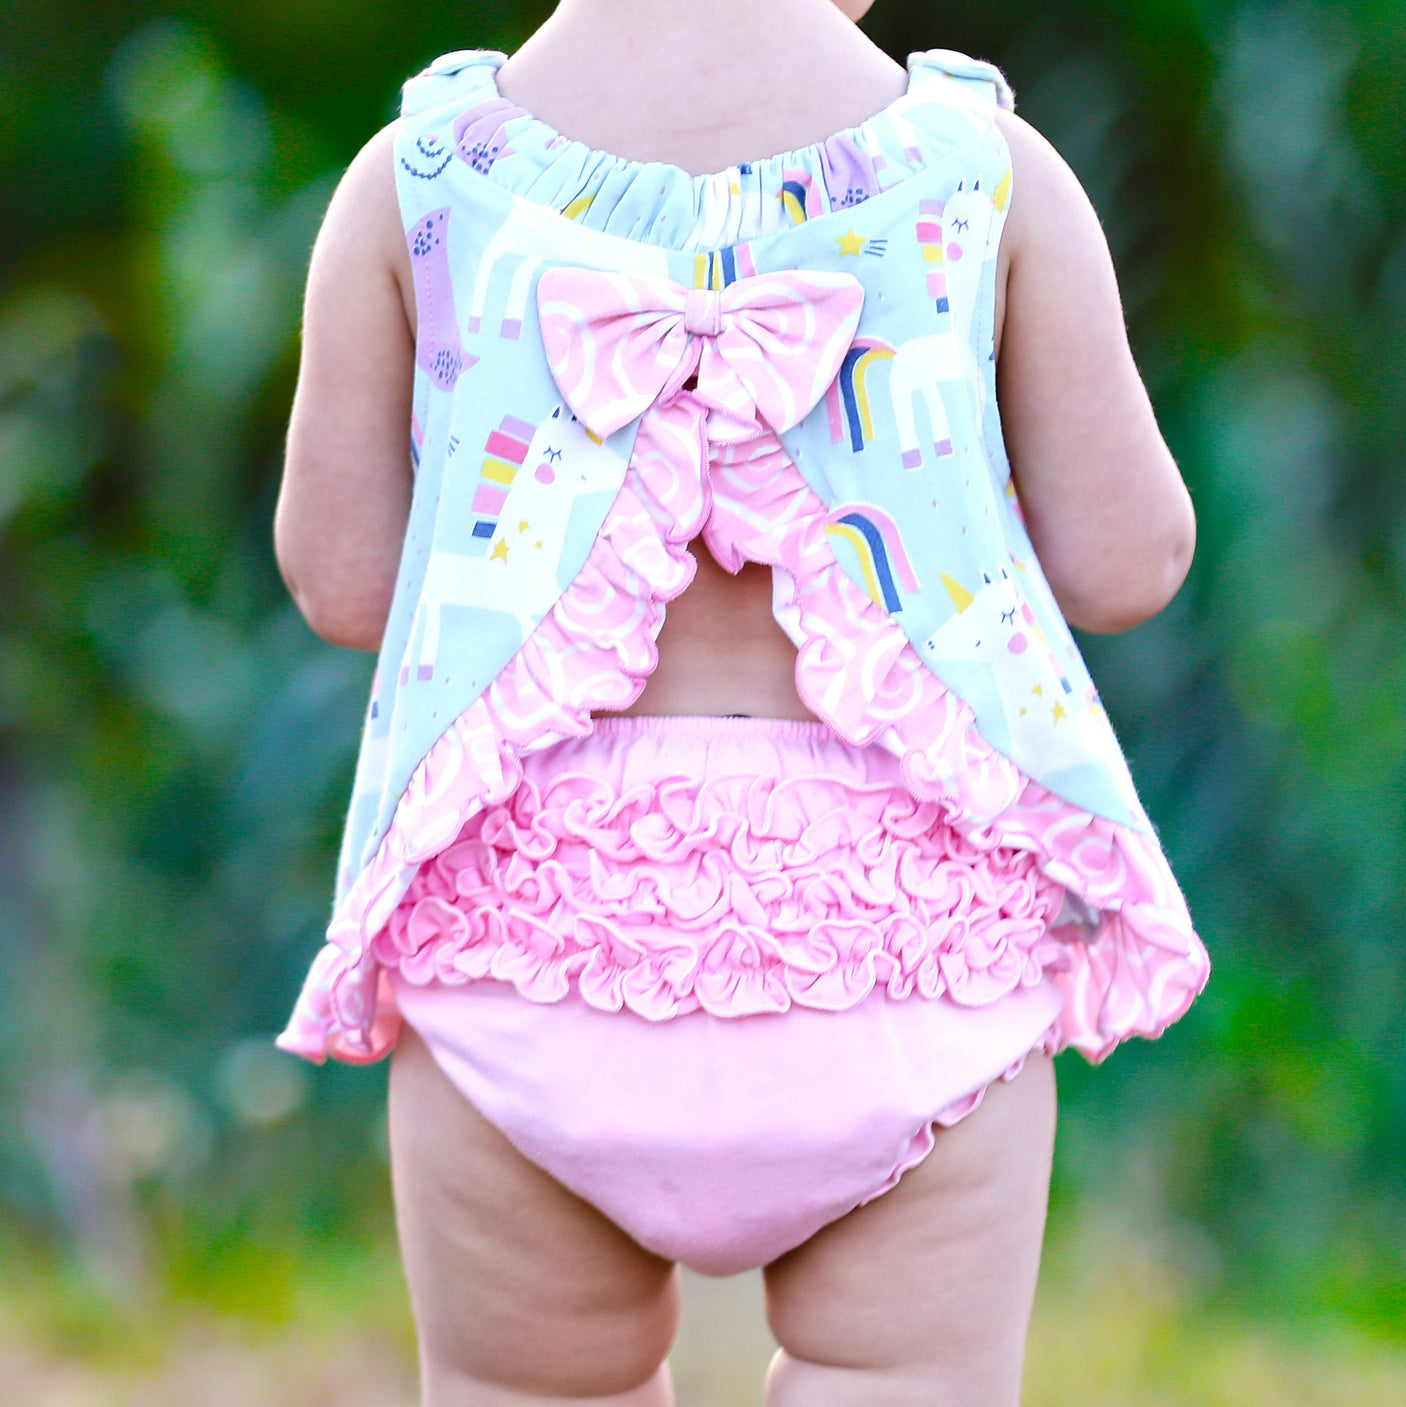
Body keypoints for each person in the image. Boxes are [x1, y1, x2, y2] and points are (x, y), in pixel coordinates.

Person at [273, 1, 1206, 1402]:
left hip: (533, 941)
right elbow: (1130, 565)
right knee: (905, 1379)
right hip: (902, 949)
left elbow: (343, 584)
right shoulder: (984, 170)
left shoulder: (414, 177)